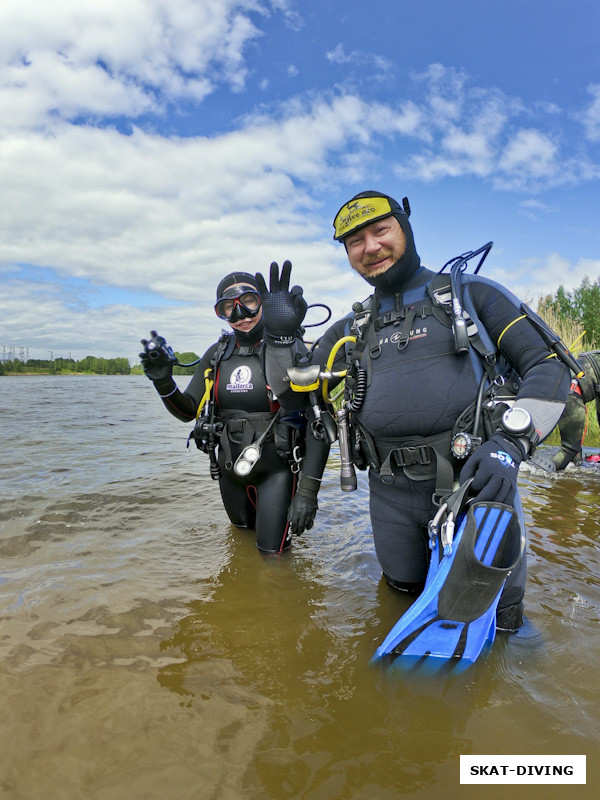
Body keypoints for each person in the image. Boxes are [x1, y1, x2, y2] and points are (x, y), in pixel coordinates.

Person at [255, 191, 570, 630]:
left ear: (406, 228)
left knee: (501, 619)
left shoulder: (471, 295)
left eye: (380, 231)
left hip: (478, 487)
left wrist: (510, 446)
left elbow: (549, 366)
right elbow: (293, 399)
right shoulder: (351, 330)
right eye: (354, 242)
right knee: (399, 604)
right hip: (390, 497)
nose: (370, 247)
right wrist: (280, 341)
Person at [139, 272, 330, 555]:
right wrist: (163, 382)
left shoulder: (286, 347)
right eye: (228, 307)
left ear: (263, 302)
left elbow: (319, 421)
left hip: (277, 472)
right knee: (239, 546)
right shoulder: (217, 353)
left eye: (248, 301)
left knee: (272, 559)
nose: (240, 313)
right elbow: (187, 410)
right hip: (230, 474)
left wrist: (307, 494)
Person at [551, 350, 600, 470]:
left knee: (575, 452)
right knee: (570, 449)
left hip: (554, 388)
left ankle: (573, 478)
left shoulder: (594, 357)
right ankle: (540, 474)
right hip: (571, 395)